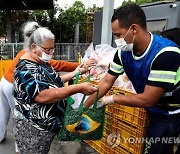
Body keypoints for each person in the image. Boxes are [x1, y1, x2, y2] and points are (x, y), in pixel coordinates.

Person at [84, 4, 180, 154]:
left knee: (155, 149)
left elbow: (148, 99)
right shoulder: (123, 53)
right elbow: (106, 82)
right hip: (153, 110)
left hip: (170, 114)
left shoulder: (165, 53)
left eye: (118, 35)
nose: (116, 40)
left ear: (134, 29)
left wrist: (111, 99)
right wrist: (84, 108)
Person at [0, 22, 97, 145]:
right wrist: (77, 85)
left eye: (52, 49)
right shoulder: (30, 63)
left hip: (5, 81)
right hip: (12, 89)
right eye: (48, 49)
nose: (51, 53)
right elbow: (43, 94)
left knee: (4, 113)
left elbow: (51, 79)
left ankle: (4, 137)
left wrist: (75, 73)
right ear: (34, 46)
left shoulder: (33, 55)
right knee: (20, 117)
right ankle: (20, 145)